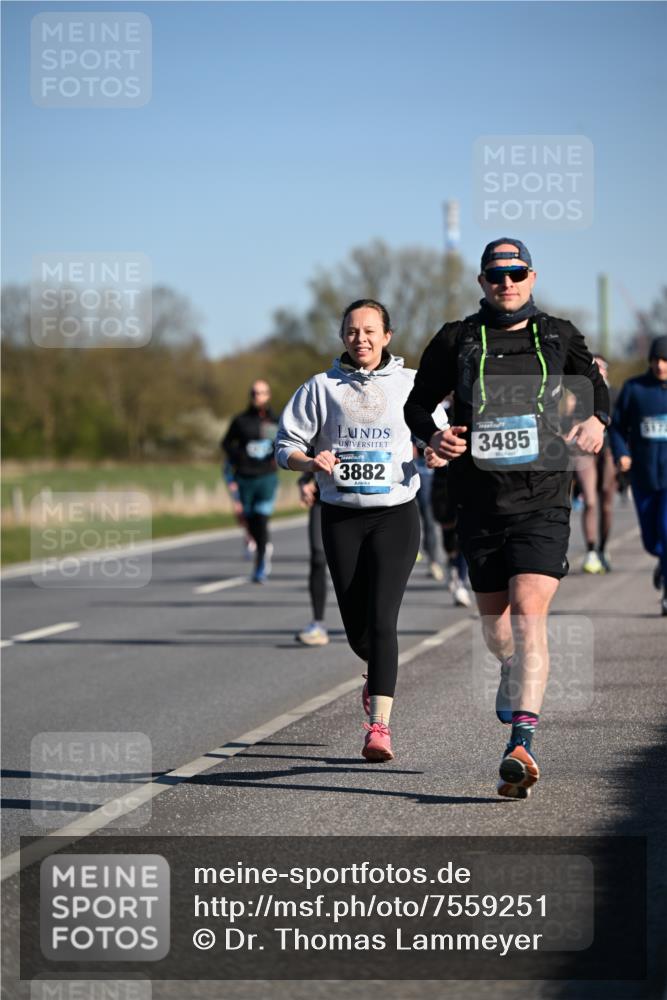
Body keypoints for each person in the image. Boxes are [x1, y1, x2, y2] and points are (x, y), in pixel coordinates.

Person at [405, 238, 609, 798]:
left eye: (516, 272)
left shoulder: (558, 335)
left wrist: (598, 423)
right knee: (497, 629)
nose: (507, 282)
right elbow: (417, 404)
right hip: (477, 500)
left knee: (528, 613)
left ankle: (521, 742)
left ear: (532, 277)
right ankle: (506, 667)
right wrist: (435, 435)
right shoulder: (457, 338)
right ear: (482, 282)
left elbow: (595, 384)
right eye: (497, 275)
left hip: (543, 497)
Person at [276, 299, 444, 762]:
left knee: (383, 618)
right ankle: (374, 674)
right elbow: (285, 444)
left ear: (387, 336)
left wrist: (435, 451)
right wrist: (310, 461)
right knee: (357, 629)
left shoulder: (411, 385)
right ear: (342, 337)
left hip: (396, 513)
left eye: (370, 330)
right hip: (341, 515)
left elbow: (440, 435)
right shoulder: (320, 387)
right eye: (352, 331)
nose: (361, 339)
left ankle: (379, 727)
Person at [609, 335, 667, 616]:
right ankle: (662, 562)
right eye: (656, 360)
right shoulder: (635, 389)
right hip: (644, 477)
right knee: (652, 540)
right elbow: (617, 427)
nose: (660, 365)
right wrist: (621, 453)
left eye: (665, 360)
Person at [221, 380, 279, 583]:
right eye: (254, 393)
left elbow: (286, 442)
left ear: (268, 395)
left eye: (262, 393)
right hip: (245, 477)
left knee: (261, 520)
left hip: (266, 478)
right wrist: (239, 456)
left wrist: (276, 456)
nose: (258, 396)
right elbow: (226, 443)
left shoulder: (276, 421)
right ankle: (258, 545)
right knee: (248, 520)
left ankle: (261, 564)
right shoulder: (241, 421)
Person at [574, 355, 618, 573]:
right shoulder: (579, 392)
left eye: (601, 366)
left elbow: (620, 426)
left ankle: (603, 547)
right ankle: (591, 550)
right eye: (594, 366)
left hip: (608, 450)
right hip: (584, 450)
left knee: (606, 500)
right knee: (590, 501)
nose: (597, 370)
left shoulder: (614, 393)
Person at [294, 472, 329, 646]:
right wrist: (304, 481)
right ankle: (318, 625)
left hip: (365, 499)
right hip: (324, 497)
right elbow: (312, 451)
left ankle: (374, 625)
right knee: (318, 556)